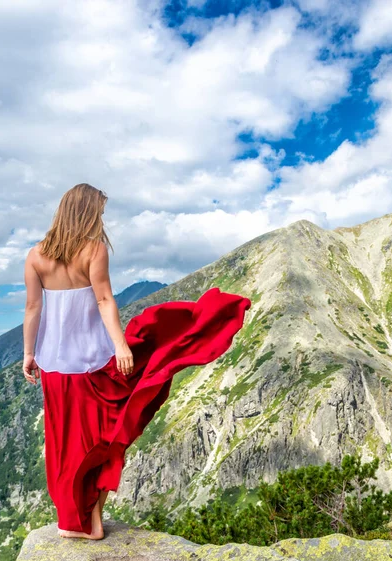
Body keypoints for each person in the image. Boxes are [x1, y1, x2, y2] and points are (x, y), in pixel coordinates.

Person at [22, 183, 251, 541]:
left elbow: (33, 307)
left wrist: (29, 353)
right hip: (92, 363)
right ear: (86, 212)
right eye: (98, 211)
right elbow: (104, 301)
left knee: (64, 445)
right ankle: (93, 519)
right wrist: (121, 346)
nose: (101, 218)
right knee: (104, 439)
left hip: (53, 366)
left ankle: (73, 523)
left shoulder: (36, 255)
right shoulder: (93, 250)